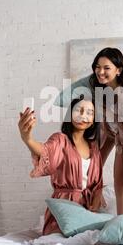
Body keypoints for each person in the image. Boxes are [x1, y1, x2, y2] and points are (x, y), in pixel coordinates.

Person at [18, 96, 104, 235]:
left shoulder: (94, 148)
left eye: (89, 112)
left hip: (87, 210)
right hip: (64, 207)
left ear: (94, 121)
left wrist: (96, 201)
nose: (83, 115)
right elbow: (45, 150)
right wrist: (27, 138)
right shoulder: (61, 140)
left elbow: (98, 183)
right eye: (78, 110)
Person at [88, 47, 123, 215]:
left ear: (118, 70)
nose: (100, 71)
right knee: (93, 168)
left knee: (120, 184)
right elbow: (108, 128)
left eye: (106, 68)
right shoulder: (103, 93)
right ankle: (94, 204)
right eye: (97, 67)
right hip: (113, 136)